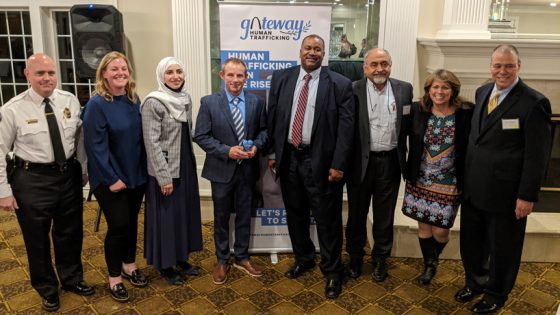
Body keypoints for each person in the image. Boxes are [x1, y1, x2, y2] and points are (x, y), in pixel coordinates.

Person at [455, 44, 551, 313]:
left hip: (507, 194)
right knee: (471, 242)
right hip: (474, 188)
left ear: (519, 66)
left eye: (509, 65)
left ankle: (496, 294)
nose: (503, 71)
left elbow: (537, 156)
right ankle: (475, 282)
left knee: (502, 249)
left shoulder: (534, 103)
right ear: (490, 67)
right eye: (497, 65)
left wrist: (527, 196)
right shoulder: (482, 91)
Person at [0, 53, 94, 312]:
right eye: (40, 73)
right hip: (32, 180)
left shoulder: (69, 100)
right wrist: (3, 192)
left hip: (67, 176)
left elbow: (78, 139)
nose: (47, 78)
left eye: (51, 73)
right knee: (37, 238)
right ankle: (47, 288)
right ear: (27, 75)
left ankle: (72, 279)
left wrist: (83, 169)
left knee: (70, 232)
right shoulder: (12, 109)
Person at [267, 34, 354, 299]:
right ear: (300, 50)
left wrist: (339, 164)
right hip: (290, 158)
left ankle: (332, 271)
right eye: (308, 48)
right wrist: (273, 152)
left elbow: (346, 129)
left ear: (324, 53)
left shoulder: (340, 84)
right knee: (296, 214)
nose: (312, 52)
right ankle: (304, 258)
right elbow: (274, 118)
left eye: (318, 49)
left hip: (323, 164)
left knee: (327, 219)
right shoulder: (282, 78)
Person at [194, 57, 267, 285]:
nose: (235, 80)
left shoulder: (256, 102)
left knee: (245, 215)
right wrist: (227, 151)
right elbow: (201, 136)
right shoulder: (208, 103)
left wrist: (256, 145)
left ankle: (242, 257)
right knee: (221, 217)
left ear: (246, 77)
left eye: (240, 76)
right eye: (231, 75)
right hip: (221, 170)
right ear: (222, 76)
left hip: (247, 170)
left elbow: (264, 131)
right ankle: (222, 259)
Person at [82, 51, 148, 302]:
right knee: (119, 225)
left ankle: (128, 265)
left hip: (135, 175)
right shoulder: (97, 104)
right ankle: (114, 278)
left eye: (124, 68)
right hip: (109, 178)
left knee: (131, 223)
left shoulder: (133, 99)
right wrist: (111, 179)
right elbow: (95, 148)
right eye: (114, 69)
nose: (120, 72)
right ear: (104, 74)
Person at [345, 48, 412, 282]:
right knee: (356, 214)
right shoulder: (353, 89)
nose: (379, 69)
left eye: (384, 63)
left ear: (391, 66)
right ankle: (354, 257)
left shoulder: (404, 89)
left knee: (384, 216)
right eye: (374, 64)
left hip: (390, 162)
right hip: (360, 164)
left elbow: (410, 126)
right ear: (365, 68)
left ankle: (380, 258)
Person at [401, 69, 473, 285]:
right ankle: (429, 265)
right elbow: (401, 135)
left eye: (445, 87)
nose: (439, 91)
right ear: (428, 90)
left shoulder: (466, 112)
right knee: (424, 228)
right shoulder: (417, 109)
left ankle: (433, 259)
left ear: (453, 90)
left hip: (450, 181)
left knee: (441, 230)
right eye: (435, 87)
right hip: (421, 178)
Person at [142, 57, 203, 285]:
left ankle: (181, 258)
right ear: (161, 76)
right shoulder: (153, 102)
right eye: (170, 72)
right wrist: (163, 177)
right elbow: (152, 143)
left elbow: (190, 132)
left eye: (179, 71)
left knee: (183, 214)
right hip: (165, 169)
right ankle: (166, 265)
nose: (176, 76)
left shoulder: (185, 98)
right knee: (167, 217)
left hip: (185, 165)